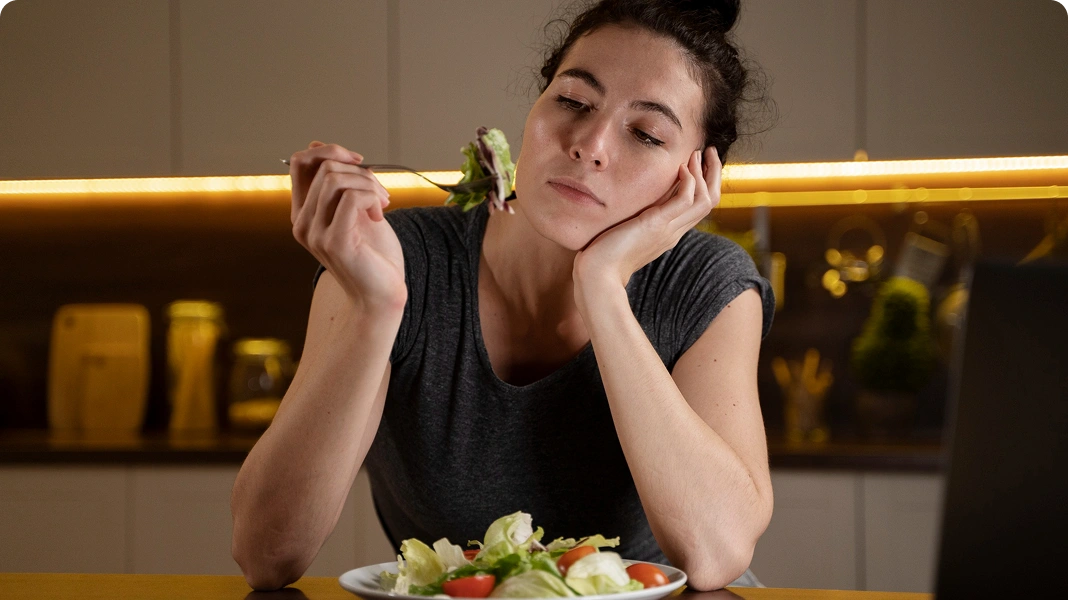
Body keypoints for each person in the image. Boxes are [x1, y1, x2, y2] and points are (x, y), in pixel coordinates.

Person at [231, 0, 778, 592]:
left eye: (646, 134)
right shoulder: (387, 261)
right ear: (534, 110)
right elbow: (267, 552)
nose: (590, 143)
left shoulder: (707, 284)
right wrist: (376, 310)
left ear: (692, 178)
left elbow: (716, 554)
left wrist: (601, 286)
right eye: (572, 101)